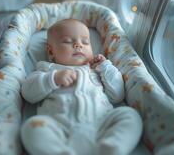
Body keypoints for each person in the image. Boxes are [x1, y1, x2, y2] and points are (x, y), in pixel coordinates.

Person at [20, 19, 142, 155]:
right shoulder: (47, 69)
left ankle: (113, 147)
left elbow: (118, 95)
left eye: (85, 42)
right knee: (32, 127)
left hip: (102, 124)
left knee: (129, 115)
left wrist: (106, 67)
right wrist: (53, 79)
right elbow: (28, 92)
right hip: (60, 126)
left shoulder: (97, 70)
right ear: (51, 52)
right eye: (67, 41)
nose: (78, 45)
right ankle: (59, 152)